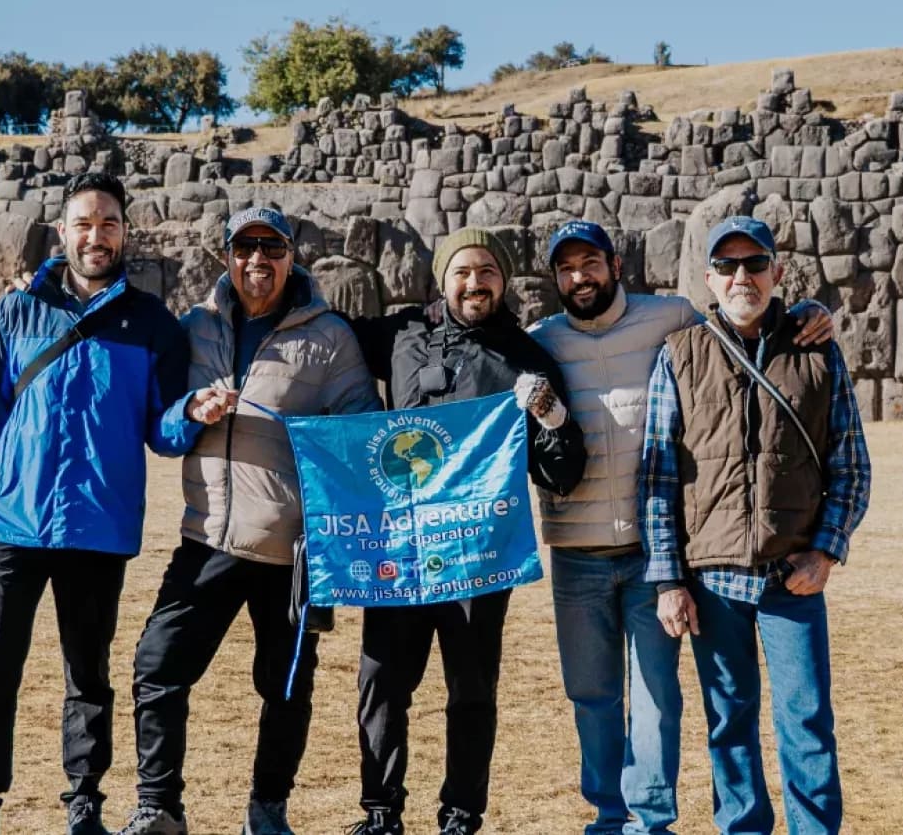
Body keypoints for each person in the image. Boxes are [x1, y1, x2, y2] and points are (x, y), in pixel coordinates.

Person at [527, 220, 834, 835]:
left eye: (590, 262)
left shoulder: (673, 320)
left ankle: (650, 822)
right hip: (584, 550)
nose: (579, 276)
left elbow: (747, 316)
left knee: (661, 699)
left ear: (616, 264)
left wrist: (812, 309)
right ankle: (611, 818)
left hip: (654, 555)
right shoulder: (541, 340)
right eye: (566, 268)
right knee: (596, 697)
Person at [0, 172, 212, 835]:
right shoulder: (19, 310)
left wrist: (194, 412)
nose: (96, 236)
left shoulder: (152, 325)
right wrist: (22, 469)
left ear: (125, 233)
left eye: (109, 224)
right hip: (15, 522)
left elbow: (163, 429)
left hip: (98, 525)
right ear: (62, 232)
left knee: (87, 672)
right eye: (84, 224)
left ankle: (84, 802)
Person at [115, 207, 382, 835]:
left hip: (291, 551)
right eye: (244, 247)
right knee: (157, 666)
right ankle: (160, 807)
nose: (257, 260)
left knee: (285, 687)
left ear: (291, 256)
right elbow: (163, 428)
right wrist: (191, 409)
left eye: (271, 247)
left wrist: (314, 437)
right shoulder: (197, 329)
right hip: (206, 536)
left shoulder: (329, 337)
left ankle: (267, 809)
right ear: (226, 256)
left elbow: (361, 430)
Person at [345, 228, 587, 835]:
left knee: (472, 689)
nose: (474, 282)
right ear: (441, 277)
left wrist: (550, 414)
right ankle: (380, 813)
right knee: (382, 683)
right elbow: (322, 335)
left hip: (478, 555)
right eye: (462, 271)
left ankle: (460, 813)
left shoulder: (525, 358)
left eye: (487, 272)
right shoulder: (400, 335)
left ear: (503, 281)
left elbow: (563, 470)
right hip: (399, 547)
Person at [640, 216, 871, 835]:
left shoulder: (817, 351)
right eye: (728, 266)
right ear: (709, 279)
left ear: (777, 273)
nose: (742, 276)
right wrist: (667, 579)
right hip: (713, 583)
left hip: (790, 576)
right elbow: (658, 478)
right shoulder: (679, 356)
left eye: (755, 263)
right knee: (728, 722)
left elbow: (851, 464)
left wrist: (826, 552)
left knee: (807, 722)